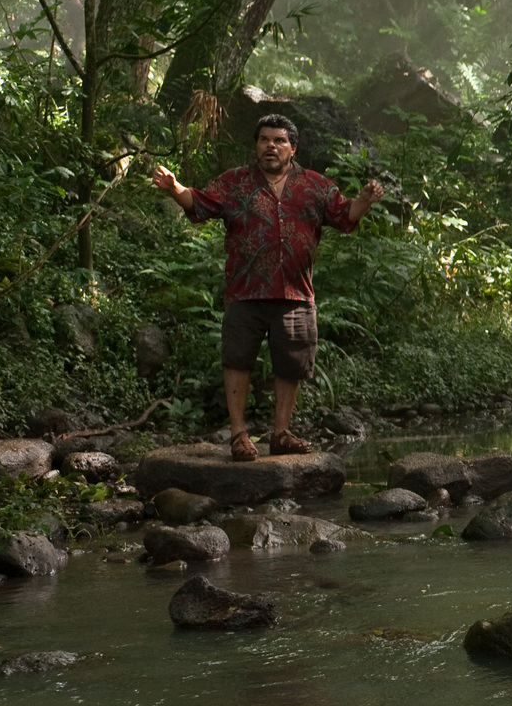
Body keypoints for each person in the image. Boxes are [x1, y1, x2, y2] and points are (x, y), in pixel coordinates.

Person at [152, 114, 383, 460]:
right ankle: (239, 435)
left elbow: (343, 215)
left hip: (295, 292)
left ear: (293, 148)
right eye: (264, 140)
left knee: (291, 363)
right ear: (256, 145)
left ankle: (281, 433)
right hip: (246, 290)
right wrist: (174, 189)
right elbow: (199, 204)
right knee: (238, 359)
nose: (270, 146)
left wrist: (364, 200)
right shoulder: (236, 182)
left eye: (278, 140)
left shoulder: (315, 185)